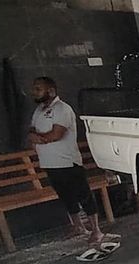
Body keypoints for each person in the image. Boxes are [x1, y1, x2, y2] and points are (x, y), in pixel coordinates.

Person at [27, 76, 109, 245]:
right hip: (49, 163)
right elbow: (31, 133)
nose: (34, 92)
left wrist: (40, 139)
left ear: (51, 91)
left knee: (83, 195)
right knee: (66, 196)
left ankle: (96, 230)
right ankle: (78, 226)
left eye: (38, 89)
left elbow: (56, 134)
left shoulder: (62, 109)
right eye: (34, 88)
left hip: (67, 162)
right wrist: (40, 138)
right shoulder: (39, 111)